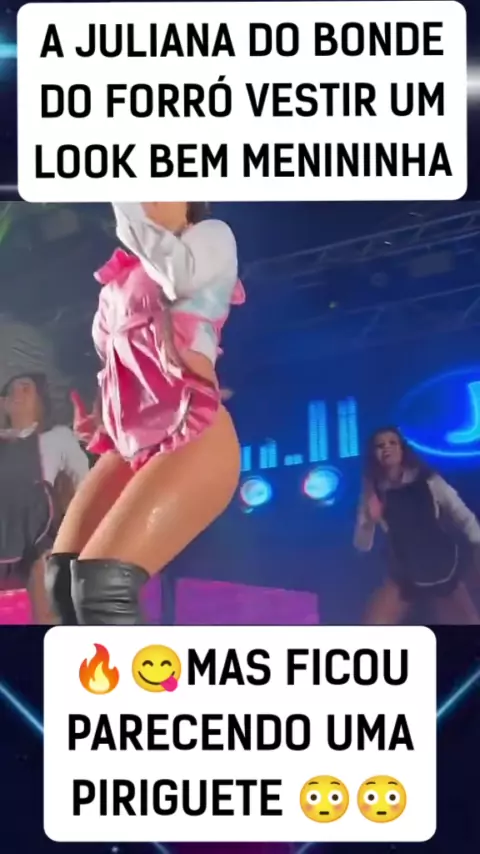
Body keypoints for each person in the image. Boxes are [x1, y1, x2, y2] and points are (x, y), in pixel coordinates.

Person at [46, 201, 245, 625]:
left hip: (190, 428)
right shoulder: (121, 277)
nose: (146, 196)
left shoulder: (210, 238)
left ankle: (148, 671)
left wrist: (127, 210)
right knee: (63, 583)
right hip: (130, 442)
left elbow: (178, 276)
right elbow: (119, 360)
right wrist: (102, 416)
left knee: (103, 587)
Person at [354, 426, 480, 625]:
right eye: (380, 445)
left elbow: (462, 515)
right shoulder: (373, 491)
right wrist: (369, 520)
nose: (386, 448)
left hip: (444, 567)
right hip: (404, 572)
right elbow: (362, 545)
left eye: (392, 443)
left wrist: (478, 544)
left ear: (402, 448)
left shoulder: (429, 480)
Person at [0, 373, 89, 623]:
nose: (16, 394)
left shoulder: (56, 437)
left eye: (25, 388)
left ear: (40, 400)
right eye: (10, 391)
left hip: (36, 538)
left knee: (46, 605)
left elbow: (84, 482)